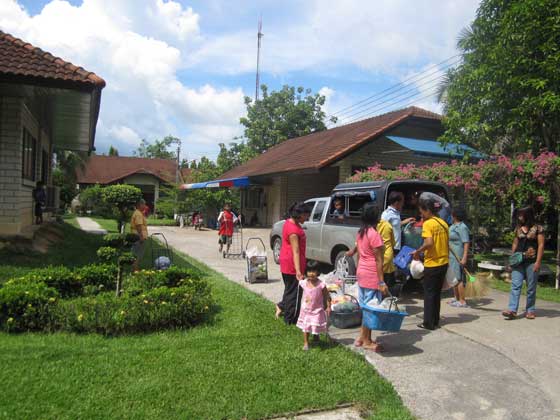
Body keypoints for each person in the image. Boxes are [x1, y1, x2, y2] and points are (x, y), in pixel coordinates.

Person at [346, 203, 387, 352]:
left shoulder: (361, 232)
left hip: (361, 273)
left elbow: (357, 248)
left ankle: (361, 337)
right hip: (371, 275)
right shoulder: (374, 234)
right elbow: (378, 260)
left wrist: (352, 251)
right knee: (371, 308)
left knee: (365, 307)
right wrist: (381, 281)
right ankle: (367, 341)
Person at [412, 197, 449, 330]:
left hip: (432, 263)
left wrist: (417, 251)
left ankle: (428, 323)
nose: (421, 215)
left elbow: (429, 243)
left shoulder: (428, 224)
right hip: (444, 262)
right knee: (437, 293)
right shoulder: (443, 223)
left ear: (427, 210)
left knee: (428, 294)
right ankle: (435, 320)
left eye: (422, 211)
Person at [502, 206, 544, 320]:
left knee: (531, 287)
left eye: (521, 215)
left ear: (528, 215)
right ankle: (512, 310)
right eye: (519, 215)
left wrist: (538, 262)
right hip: (518, 261)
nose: (519, 217)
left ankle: (530, 310)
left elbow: (541, 245)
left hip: (532, 262)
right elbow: (515, 244)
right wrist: (512, 258)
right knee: (515, 285)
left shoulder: (538, 228)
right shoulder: (518, 228)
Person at [276, 202, 311, 324]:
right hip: (292, 263)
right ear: (299, 214)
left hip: (287, 261)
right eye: (306, 215)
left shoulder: (290, 222)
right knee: (295, 294)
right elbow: (295, 251)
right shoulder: (293, 230)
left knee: (289, 289)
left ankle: (281, 306)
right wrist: (298, 271)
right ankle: (290, 320)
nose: (307, 218)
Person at [296, 265, 332, 351]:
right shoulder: (304, 283)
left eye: (314, 271)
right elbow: (298, 282)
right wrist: (299, 275)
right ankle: (306, 343)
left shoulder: (321, 285)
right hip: (306, 310)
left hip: (317, 309)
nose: (311, 273)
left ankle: (316, 337)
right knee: (306, 327)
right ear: (306, 272)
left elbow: (327, 295)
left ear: (318, 272)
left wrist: (328, 306)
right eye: (309, 271)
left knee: (316, 324)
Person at [448, 208, 470, 308]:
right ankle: (456, 298)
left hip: (458, 255)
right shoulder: (453, 226)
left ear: (455, 216)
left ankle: (462, 300)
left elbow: (466, 242)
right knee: (453, 277)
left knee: (458, 278)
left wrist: (464, 257)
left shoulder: (462, 227)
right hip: (451, 255)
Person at [377, 217, 397, 296]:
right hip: (388, 253)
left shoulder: (372, 226)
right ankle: (388, 299)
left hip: (377, 254)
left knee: (379, 278)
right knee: (388, 280)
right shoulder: (388, 225)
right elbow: (393, 242)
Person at [130, 199, 148, 272]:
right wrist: (141, 237)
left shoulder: (139, 213)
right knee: (138, 254)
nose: (145, 206)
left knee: (137, 254)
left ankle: (135, 269)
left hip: (136, 236)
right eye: (143, 204)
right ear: (139, 205)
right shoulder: (138, 214)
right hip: (138, 237)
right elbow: (139, 226)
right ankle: (135, 270)